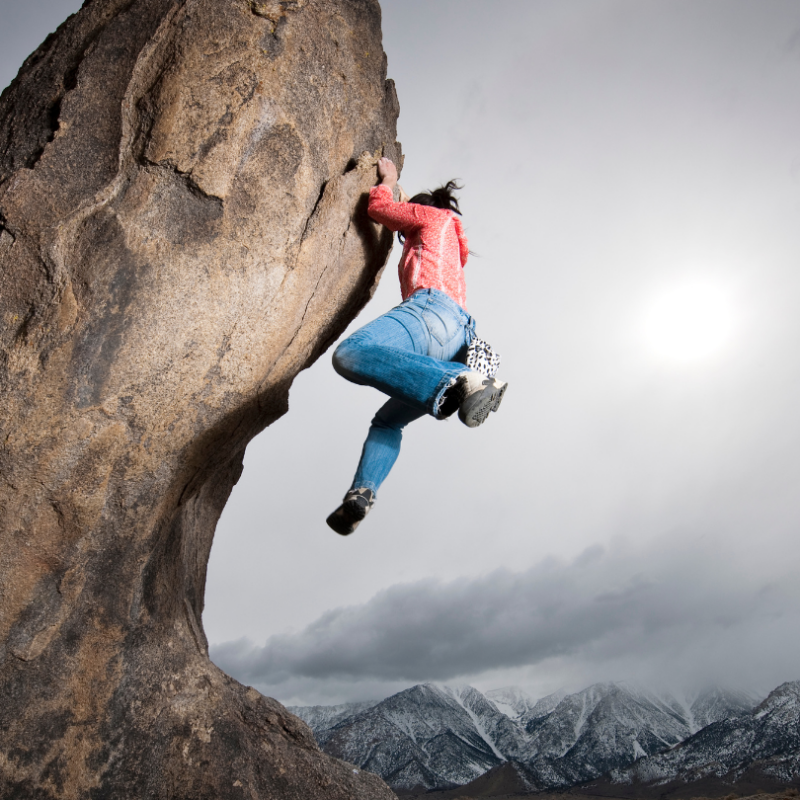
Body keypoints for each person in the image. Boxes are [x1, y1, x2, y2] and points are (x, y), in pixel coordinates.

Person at [326, 157, 507, 535]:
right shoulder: (450, 239)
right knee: (388, 421)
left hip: (430, 313)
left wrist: (388, 181)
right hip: (459, 337)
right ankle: (362, 493)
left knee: (351, 354)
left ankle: (462, 381)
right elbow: (416, 217)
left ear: (421, 209)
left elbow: (379, 209)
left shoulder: (429, 219)